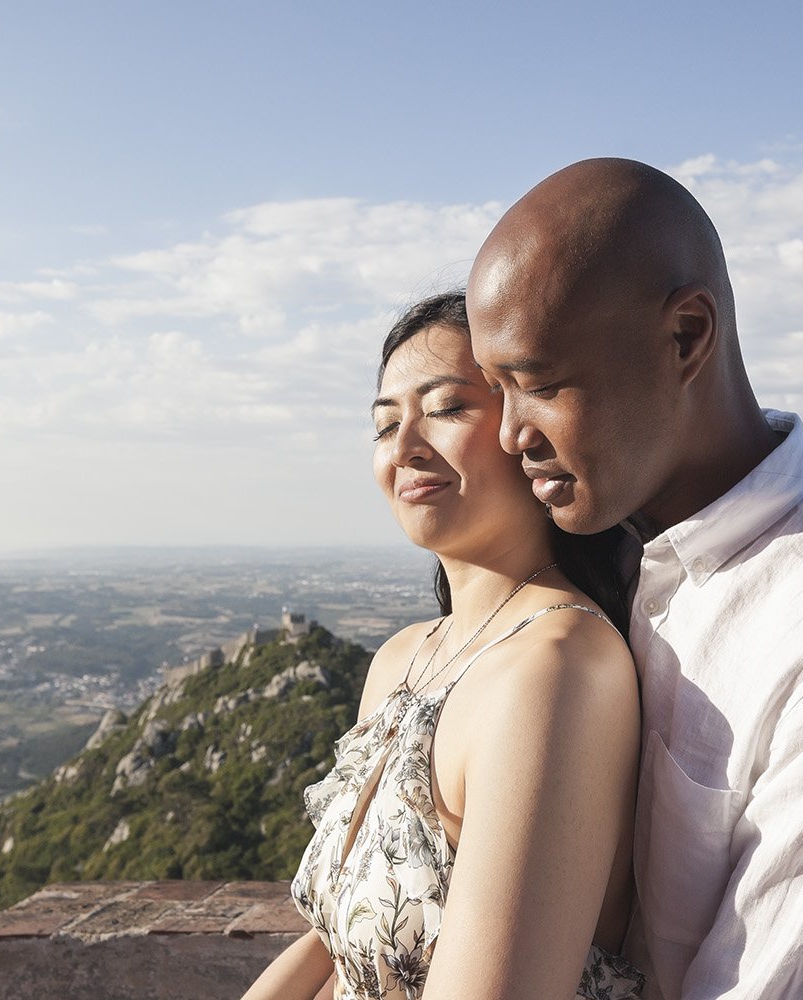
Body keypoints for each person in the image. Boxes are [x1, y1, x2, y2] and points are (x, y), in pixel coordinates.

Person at [465, 158, 803, 1000]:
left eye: (539, 384)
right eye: (495, 388)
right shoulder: (607, 557)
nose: (509, 434)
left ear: (686, 337)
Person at [242, 292, 646, 1000]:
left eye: (448, 408)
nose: (404, 449)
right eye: (386, 424)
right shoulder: (404, 658)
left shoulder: (555, 665)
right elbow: (339, 940)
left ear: (529, 429)